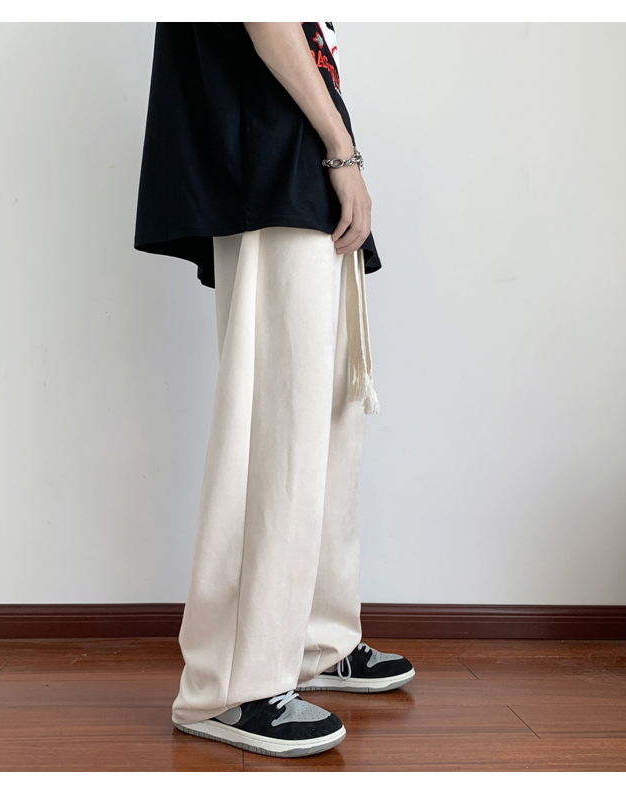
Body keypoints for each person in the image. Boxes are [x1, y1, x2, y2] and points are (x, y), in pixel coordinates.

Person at [134, 22, 414, 759]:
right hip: (271, 159)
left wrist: (334, 151)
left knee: (325, 417)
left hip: (296, 159)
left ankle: (317, 641)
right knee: (274, 425)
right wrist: (342, 150)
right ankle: (228, 682)